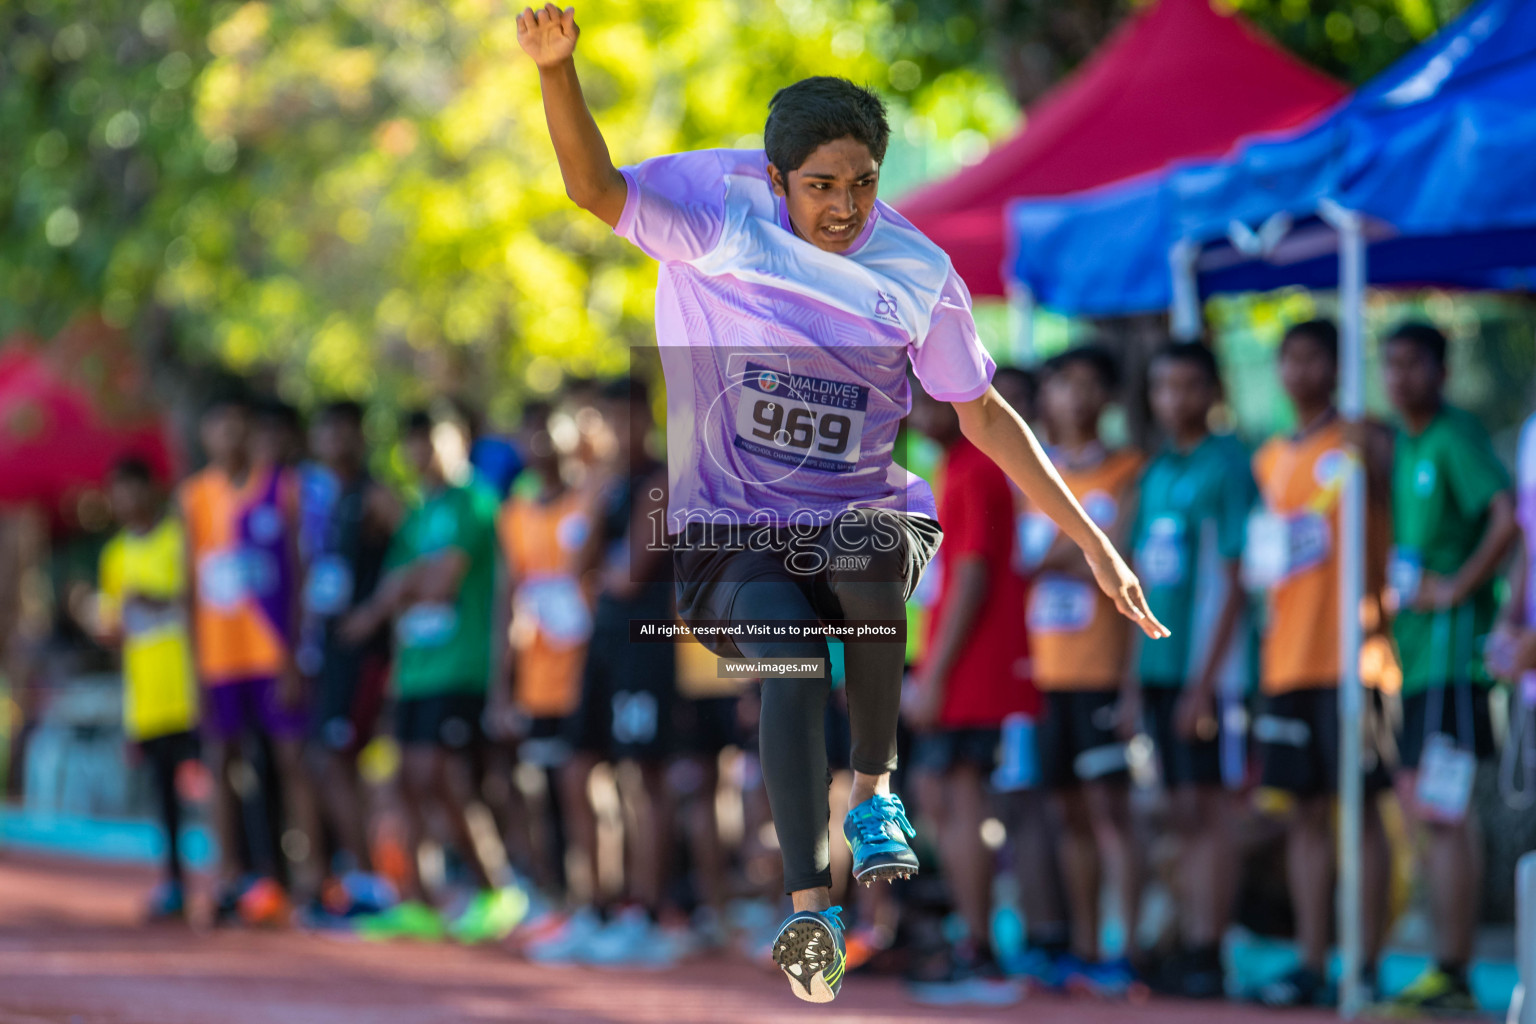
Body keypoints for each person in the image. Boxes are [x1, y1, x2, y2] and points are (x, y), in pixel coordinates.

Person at [519, 8, 1166, 1004]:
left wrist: (1090, 543)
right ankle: (811, 907)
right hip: (726, 529)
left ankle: (875, 792)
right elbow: (593, 188)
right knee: (789, 657)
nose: (843, 207)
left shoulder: (914, 270)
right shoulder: (717, 207)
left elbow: (985, 416)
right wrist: (559, 73)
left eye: (863, 183)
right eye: (820, 186)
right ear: (776, 181)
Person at [343, 407, 525, 944]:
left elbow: (441, 583)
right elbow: (395, 588)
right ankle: (419, 902)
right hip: (417, 670)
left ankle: (498, 890)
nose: (423, 453)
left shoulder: (475, 502)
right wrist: (405, 588)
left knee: (441, 776)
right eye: (414, 443)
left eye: (434, 441)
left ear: (459, 442)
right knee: (405, 779)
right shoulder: (419, 514)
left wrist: (406, 585)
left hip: (462, 664)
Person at [1382, 322, 1517, 1012]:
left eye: (1413, 365)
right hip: (1418, 662)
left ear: (1441, 370)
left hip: (1454, 659)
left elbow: (1508, 516)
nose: (1399, 378)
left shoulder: (1454, 436)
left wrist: (1460, 587)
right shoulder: (1402, 444)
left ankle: (1455, 972)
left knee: (1443, 812)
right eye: (1390, 365)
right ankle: (1445, 966)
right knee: (1425, 809)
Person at [532, 378, 681, 968]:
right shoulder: (607, 486)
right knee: (576, 768)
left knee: (645, 778)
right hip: (603, 647)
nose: (616, 432)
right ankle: (592, 907)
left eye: (626, 418)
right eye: (607, 420)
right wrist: (594, 492)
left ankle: (643, 914)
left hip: (647, 648)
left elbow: (626, 575)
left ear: (646, 419)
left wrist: (595, 570)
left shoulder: (664, 482)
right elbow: (577, 565)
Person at [1128, 341, 1255, 999]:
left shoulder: (1229, 466)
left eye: (1187, 386)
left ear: (1212, 391)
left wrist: (1204, 685)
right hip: (1157, 667)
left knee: (1209, 811)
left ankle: (1210, 949)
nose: (1174, 400)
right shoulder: (1155, 474)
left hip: (1210, 672)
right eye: (1162, 386)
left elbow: (1236, 581)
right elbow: (1140, 582)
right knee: (1177, 810)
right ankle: (1182, 940)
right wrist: (1131, 684)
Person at [1023, 345, 1146, 996]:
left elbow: (1118, 556)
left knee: (1110, 812)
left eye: (1091, 385)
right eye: (1064, 383)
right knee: (1066, 813)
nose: (1076, 397)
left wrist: (1067, 556)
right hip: (1041, 675)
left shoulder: (1130, 471)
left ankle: (1125, 949)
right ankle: (1083, 943)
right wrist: (1079, 554)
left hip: (1102, 670)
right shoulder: (1025, 473)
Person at [904, 383, 1032, 1000]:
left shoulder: (977, 467)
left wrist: (935, 675)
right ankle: (972, 940)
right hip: (957, 673)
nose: (920, 414)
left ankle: (981, 951)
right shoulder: (952, 467)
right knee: (942, 798)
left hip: (972, 676)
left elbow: (973, 576)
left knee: (961, 800)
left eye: (932, 401)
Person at [180, 390, 318, 923]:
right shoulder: (195, 497)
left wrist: (293, 651)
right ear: (206, 435)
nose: (231, 436)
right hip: (219, 658)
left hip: (270, 652)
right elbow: (191, 587)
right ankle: (228, 876)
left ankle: (307, 876)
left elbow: (299, 571)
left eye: (239, 425)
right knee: (222, 761)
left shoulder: (281, 489)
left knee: (291, 760)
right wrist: (195, 665)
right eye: (220, 425)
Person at [303, 400, 401, 908]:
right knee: (327, 759)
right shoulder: (327, 500)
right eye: (326, 433)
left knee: (346, 757)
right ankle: (359, 872)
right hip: (332, 651)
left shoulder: (376, 496)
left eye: (344, 432)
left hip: (367, 653)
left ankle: (374, 879)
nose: (334, 443)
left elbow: (414, 551)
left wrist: (377, 612)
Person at [492, 411, 594, 898]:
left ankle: (598, 897)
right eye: (526, 431)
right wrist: (502, 686)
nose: (538, 442)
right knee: (542, 790)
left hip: (588, 672)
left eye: (548, 429)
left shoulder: (590, 500)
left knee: (588, 790)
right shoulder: (514, 512)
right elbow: (508, 600)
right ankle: (555, 894)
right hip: (536, 677)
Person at [94, 457, 201, 921]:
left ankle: (249, 878)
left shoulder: (178, 540)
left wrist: (156, 599)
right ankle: (175, 884)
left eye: (131, 489)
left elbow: (196, 601)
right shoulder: (114, 555)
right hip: (147, 695)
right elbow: (115, 628)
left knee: (228, 782)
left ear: (149, 489)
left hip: (192, 689)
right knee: (164, 797)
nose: (125, 500)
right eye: (117, 492)